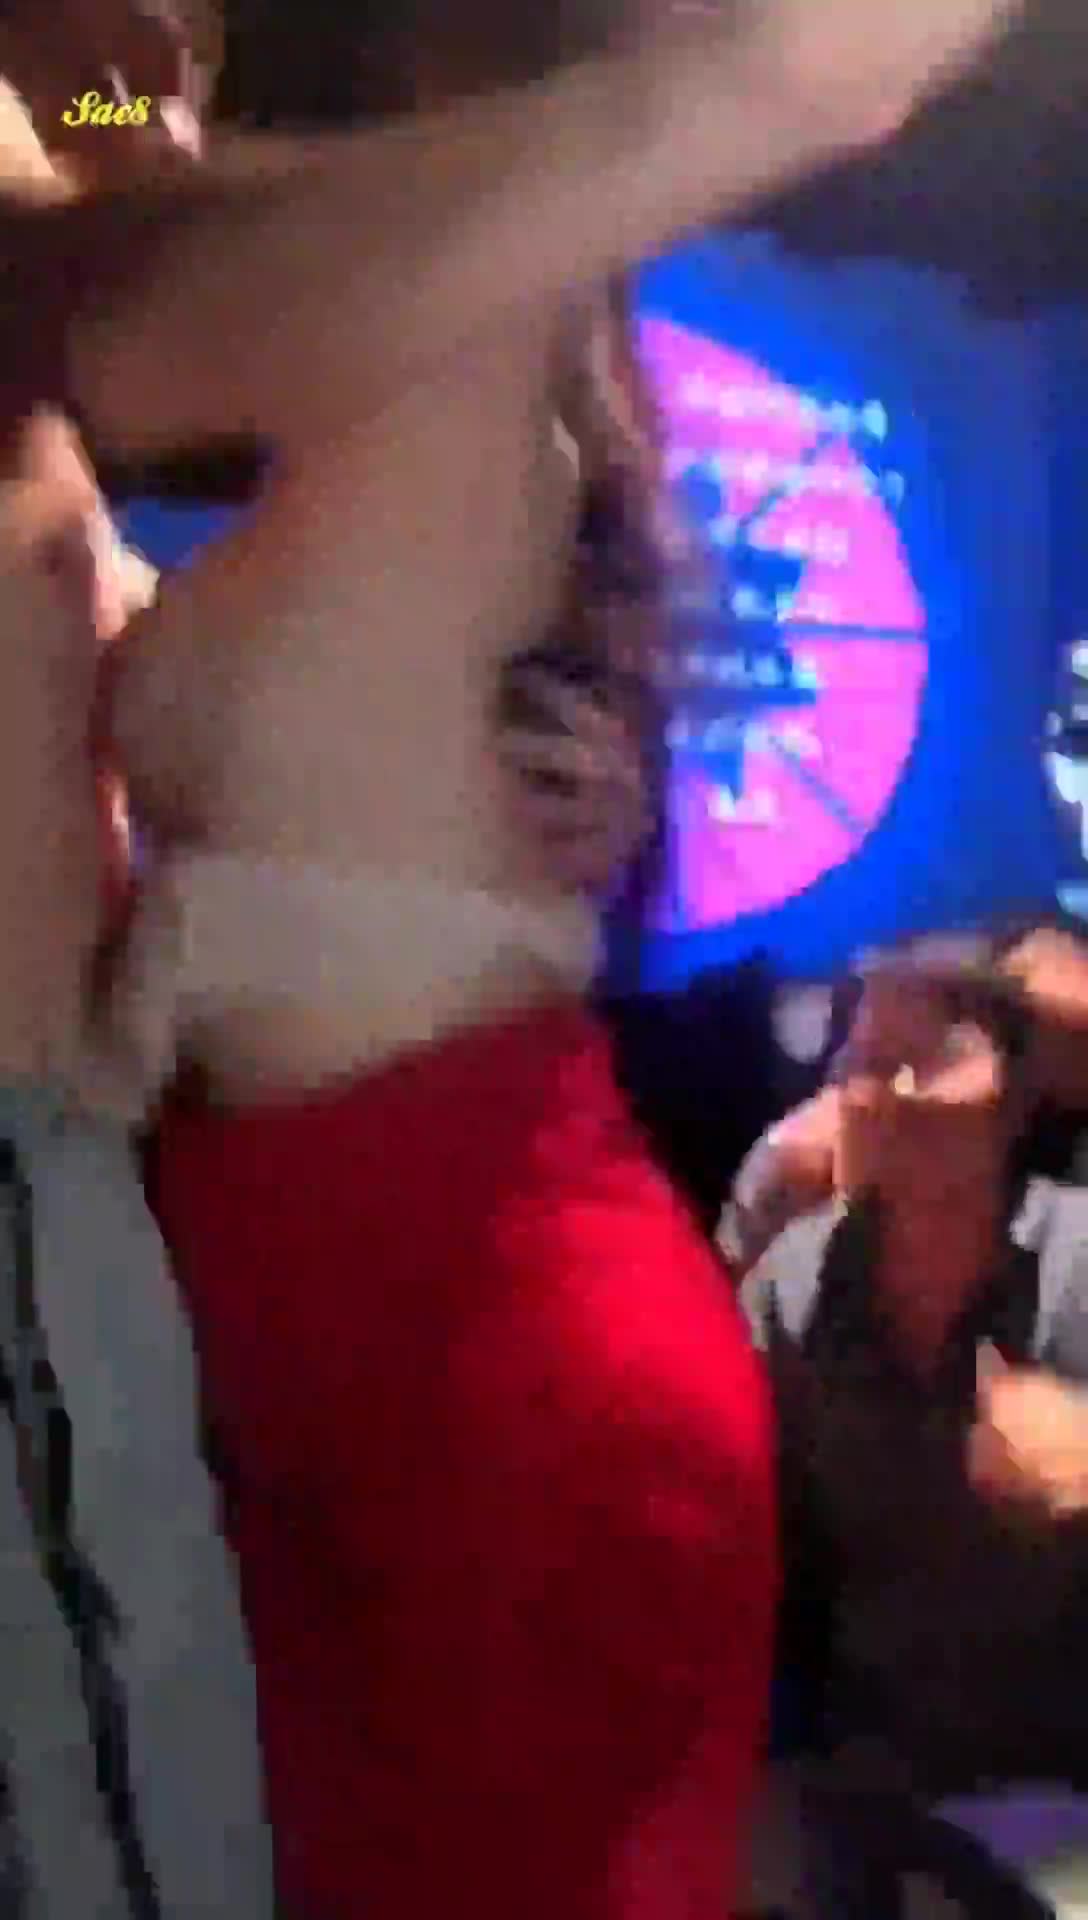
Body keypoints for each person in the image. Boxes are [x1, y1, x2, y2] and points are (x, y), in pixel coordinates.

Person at [1, 1, 1012, 1914]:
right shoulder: (369, 344)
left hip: (475, 1379)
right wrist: (97, 70)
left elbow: (122, 266)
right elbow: (119, 155)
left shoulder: (451, 359)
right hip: (358, 1346)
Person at [743, 1020, 1088, 1920]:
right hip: (865, 1790)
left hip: (1067, 1789)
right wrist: (754, 1202)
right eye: (867, 1058)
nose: (891, 1088)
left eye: (931, 1051)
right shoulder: (794, 1284)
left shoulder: (1081, 1262)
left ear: (1014, 1101)